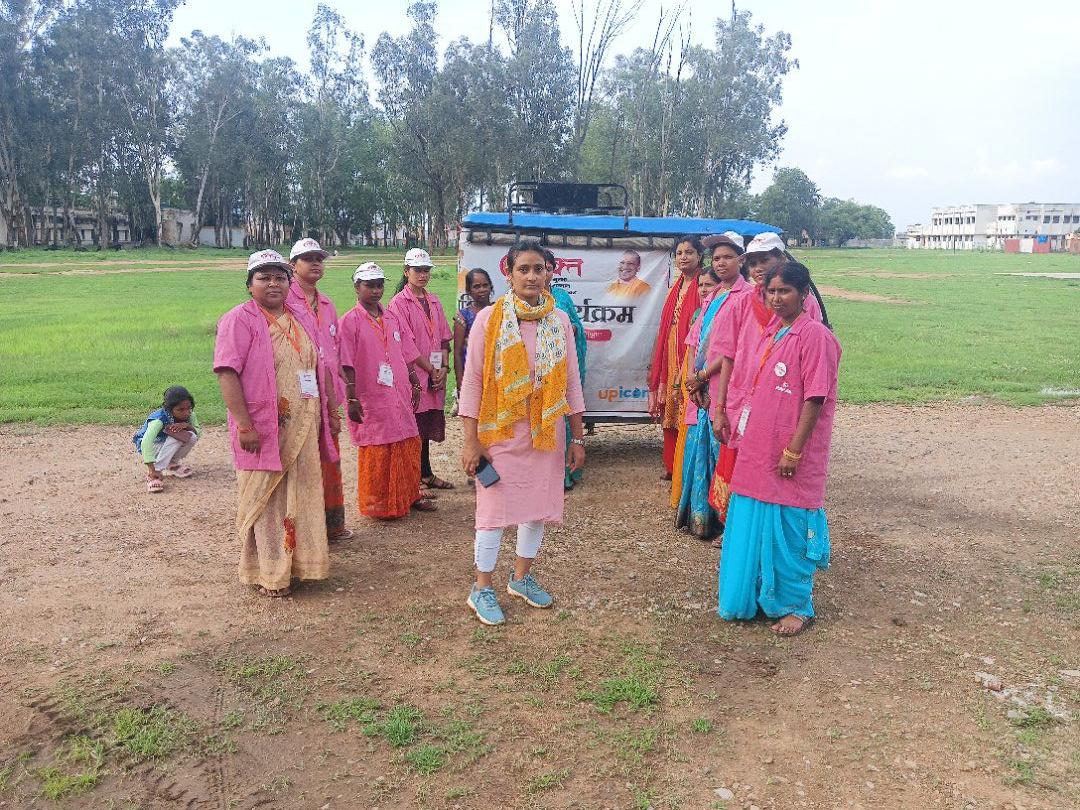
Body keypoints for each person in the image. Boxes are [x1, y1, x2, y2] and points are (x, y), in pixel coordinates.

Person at [459, 240, 586, 626]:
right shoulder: (489, 319)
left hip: (546, 431)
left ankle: (521, 578)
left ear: (549, 273)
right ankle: (482, 587)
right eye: (523, 269)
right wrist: (470, 440)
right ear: (509, 273)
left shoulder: (558, 320)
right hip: (500, 431)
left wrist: (578, 438)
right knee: (494, 512)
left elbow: (571, 381)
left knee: (537, 508)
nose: (532, 276)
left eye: (539, 269)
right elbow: (473, 380)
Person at [715, 261, 842, 636]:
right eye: (770, 291)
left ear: (803, 294)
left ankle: (795, 607)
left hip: (790, 451)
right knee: (753, 522)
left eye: (784, 290)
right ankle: (757, 594)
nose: (776, 298)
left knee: (789, 528)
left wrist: (794, 451)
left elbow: (816, 397)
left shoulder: (815, 336)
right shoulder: (774, 331)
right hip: (759, 448)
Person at [214, 250, 337, 598]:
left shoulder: (300, 316)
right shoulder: (238, 320)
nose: (273, 283)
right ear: (249, 284)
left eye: (280, 277)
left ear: (288, 282)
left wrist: (330, 413)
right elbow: (226, 373)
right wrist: (245, 425)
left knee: (302, 493)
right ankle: (269, 571)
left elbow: (320, 365)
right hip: (265, 429)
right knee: (266, 499)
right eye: (264, 277)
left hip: (304, 426)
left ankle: (300, 565)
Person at [702, 232, 822, 523]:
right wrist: (720, 408)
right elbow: (728, 355)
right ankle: (737, 527)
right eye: (752, 262)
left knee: (777, 472)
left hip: (782, 404)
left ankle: (768, 532)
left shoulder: (805, 308)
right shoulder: (743, 302)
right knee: (738, 466)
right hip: (741, 399)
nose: (757, 268)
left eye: (764, 260)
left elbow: (811, 368)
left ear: (781, 259)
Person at [339, 262, 435, 518]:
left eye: (379, 285)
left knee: (407, 442)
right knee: (379, 447)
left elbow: (407, 351)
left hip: (399, 392)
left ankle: (409, 495)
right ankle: (380, 504)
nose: (375, 290)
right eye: (369, 285)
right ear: (357, 287)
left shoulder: (392, 317)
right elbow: (345, 362)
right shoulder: (349, 322)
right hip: (371, 395)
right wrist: (351, 398)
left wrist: (414, 382)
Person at [677, 232, 748, 543]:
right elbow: (695, 339)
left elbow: (736, 350)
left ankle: (731, 526)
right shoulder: (714, 295)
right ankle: (703, 519)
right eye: (716, 258)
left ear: (741, 260)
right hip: (703, 388)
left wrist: (702, 376)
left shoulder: (747, 297)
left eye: (727, 257)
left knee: (727, 455)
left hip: (727, 389)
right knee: (704, 452)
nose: (721, 263)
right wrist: (693, 379)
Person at [288, 237, 353, 543]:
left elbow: (335, 349)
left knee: (329, 457)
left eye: (319, 259)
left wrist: (342, 390)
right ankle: (305, 530)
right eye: (308, 258)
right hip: (299, 391)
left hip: (328, 392)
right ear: (293, 265)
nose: (315, 263)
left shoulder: (327, 303)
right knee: (303, 459)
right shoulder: (285, 300)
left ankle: (331, 525)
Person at [388, 248, 454, 492]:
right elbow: (405, 345)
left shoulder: (434, 301)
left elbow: (443, 338)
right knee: (413, 426)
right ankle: (413, 479)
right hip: (413, 375)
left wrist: (443, 368)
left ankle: (425, 473)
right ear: (407, 272)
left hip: (433, 374)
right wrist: (431, 369)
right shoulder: (398, 304)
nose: (423, 274)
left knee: (424, 426)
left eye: (426, 270)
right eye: (418, 270)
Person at [648, 235, 703, 480]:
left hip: (691, 354)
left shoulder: (704, 285)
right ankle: (672, 465)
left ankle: (688, 467)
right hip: (670, 353)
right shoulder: (674, 287)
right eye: (679, 253)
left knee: (688, 410)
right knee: (670, 411)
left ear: (699, 256)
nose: (683, 257)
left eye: (689, 252)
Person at [669, 268, 720, 509]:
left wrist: (700, 377)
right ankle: (694, 508)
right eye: (700, 285)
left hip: (715, 386)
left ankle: (713, 512)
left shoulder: (728, 306)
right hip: (696, 387)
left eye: (708, 285)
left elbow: (727, 352)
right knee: (692, 444)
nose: (703, 290)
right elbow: (691, 346)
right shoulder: (702, 312)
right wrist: (689, 380)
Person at [541, 248, 588, 490]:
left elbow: (576, 326)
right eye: (536, 268)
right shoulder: (514, 304)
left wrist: (572, 330)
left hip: (560, 371)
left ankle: (565, 474)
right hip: (535, 378)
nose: (542, 274)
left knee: (564, 420)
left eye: (547, 269)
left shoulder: (561, 296)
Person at [133, 385, 202, 493]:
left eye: (189, 408)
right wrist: (151, 468)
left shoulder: (190, 415)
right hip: (151, 446)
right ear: (169, 409)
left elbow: (198, 433)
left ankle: (171, 464)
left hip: (166, 443)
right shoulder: (159, 419)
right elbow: (146, 442)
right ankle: (155, 473)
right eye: (180, 409)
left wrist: (187, 426)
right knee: (177, 436)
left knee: (191, 436)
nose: (186, 412)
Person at [453, 268, 493, 415]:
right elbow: (457, 353)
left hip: (496, 375)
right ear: (469, 291)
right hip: (473, 376)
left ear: (491, 287)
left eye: (485, 285)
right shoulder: (463, 317)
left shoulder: (500, 311)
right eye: (476, 286)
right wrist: (460, 384)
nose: (482, 290)